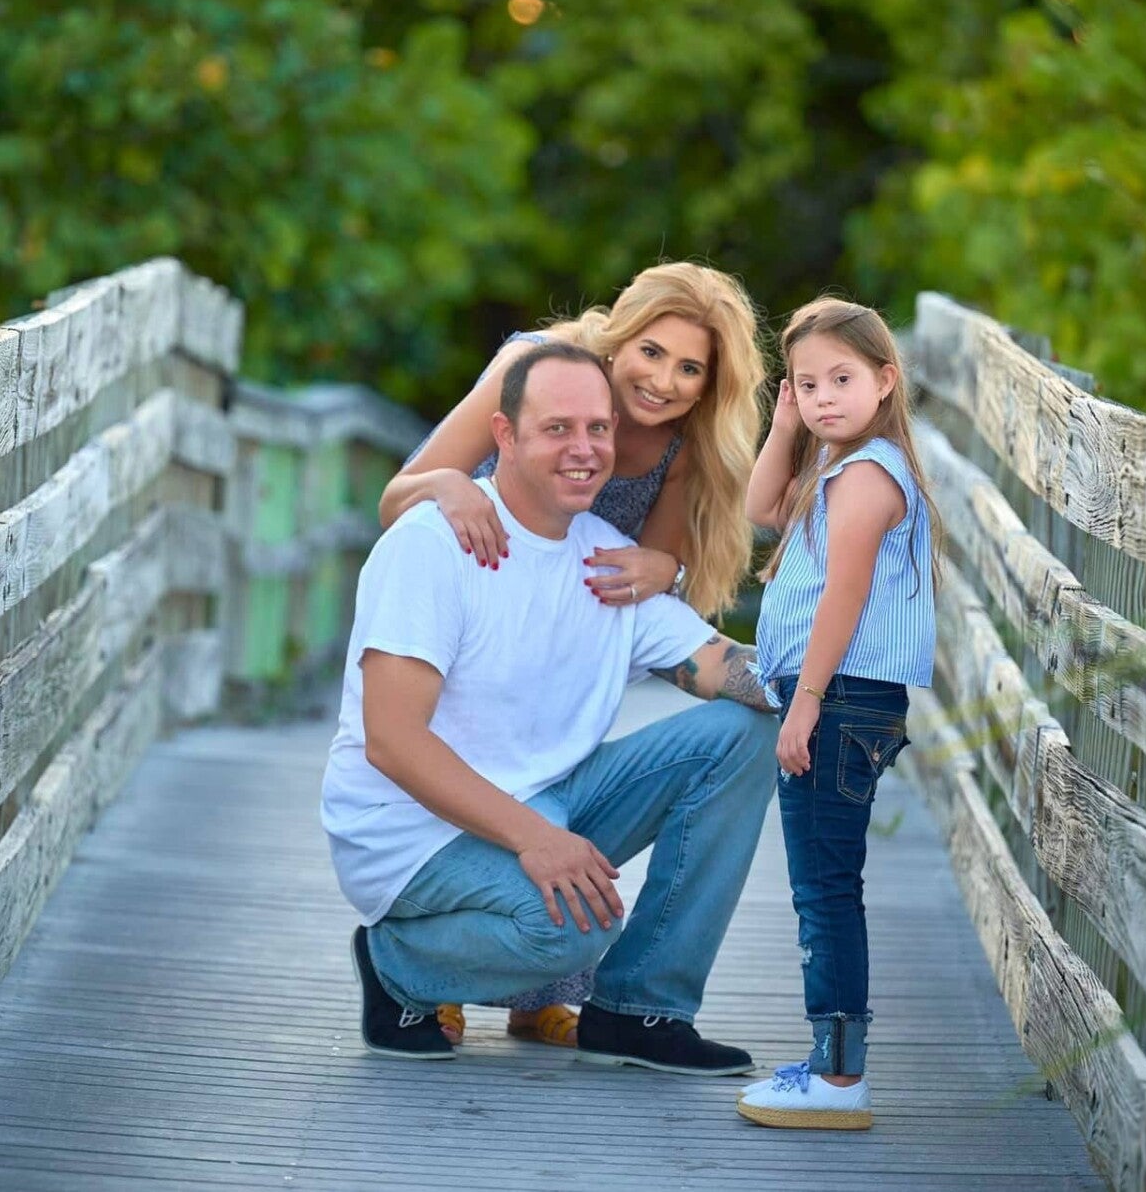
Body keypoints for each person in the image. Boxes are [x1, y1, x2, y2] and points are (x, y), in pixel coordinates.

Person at [323, 342, 778, 1074]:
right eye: (557, 428)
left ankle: (638, 1009)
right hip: (411, 833)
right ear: (504, 435)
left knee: (739, 731)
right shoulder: (432, 546)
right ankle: (396, 963)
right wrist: (537, 838)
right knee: (573, 929)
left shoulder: (603, 560)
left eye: (597, 429)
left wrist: (819, 688)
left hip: (546, 797)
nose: (583, 449)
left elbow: (718, 666)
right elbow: (392, 741)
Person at [735, 297, 941, 1129]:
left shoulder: (865, 476)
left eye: (841, 379)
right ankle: (832, 1064)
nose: (823, 397)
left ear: (885, 380)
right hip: (843, 697)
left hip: (840, 696)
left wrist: (806, 705)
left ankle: (837, 1076)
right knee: (824, 881)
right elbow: (761, 509)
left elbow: (844, 595)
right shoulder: (840, 466)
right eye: (807, 383)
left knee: (823, 887)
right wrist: (783, 424)